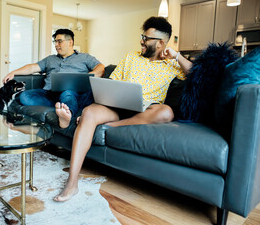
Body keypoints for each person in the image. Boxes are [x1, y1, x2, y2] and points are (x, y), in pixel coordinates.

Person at [54, 17, 193, 202]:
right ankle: (72, 183)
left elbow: (197, 75)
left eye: (146, 38)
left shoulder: (173, 64)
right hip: (118, 106)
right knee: (89, 113)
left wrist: (176, 55)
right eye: (142, 36)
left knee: (166, 112)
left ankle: (110, 125)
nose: (141, 41)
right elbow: (112, 82)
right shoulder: (131, 57)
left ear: (161, 43)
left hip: (145, 111)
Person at [3, 29, 105, 128]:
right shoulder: (50, 59)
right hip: (48, 94)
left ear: (70, 42)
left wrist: (88, 76)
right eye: (55, 42)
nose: (56, 45)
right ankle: (60, 107)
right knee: (24, 96)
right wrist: (13, 72)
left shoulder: (84, 58)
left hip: (70, 92)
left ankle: (66, 115)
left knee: (67, 93)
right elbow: (32, 67)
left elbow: (100, 67)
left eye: (59, 41)